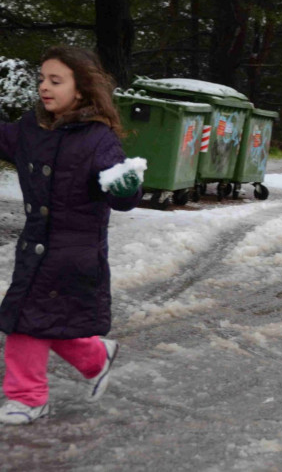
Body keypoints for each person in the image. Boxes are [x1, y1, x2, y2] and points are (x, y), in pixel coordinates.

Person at [0, 46, 143, 424]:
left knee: (25, 322)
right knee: (45, 318)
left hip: (75, 253)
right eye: (42, 79)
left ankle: (29, 398)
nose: (44, 87)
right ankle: (96, 356)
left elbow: (122, 196)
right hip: (35, 248)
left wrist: (126, 185)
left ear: (79, 89)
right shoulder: (29, 130)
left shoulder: (98, 138)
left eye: (55, 80)